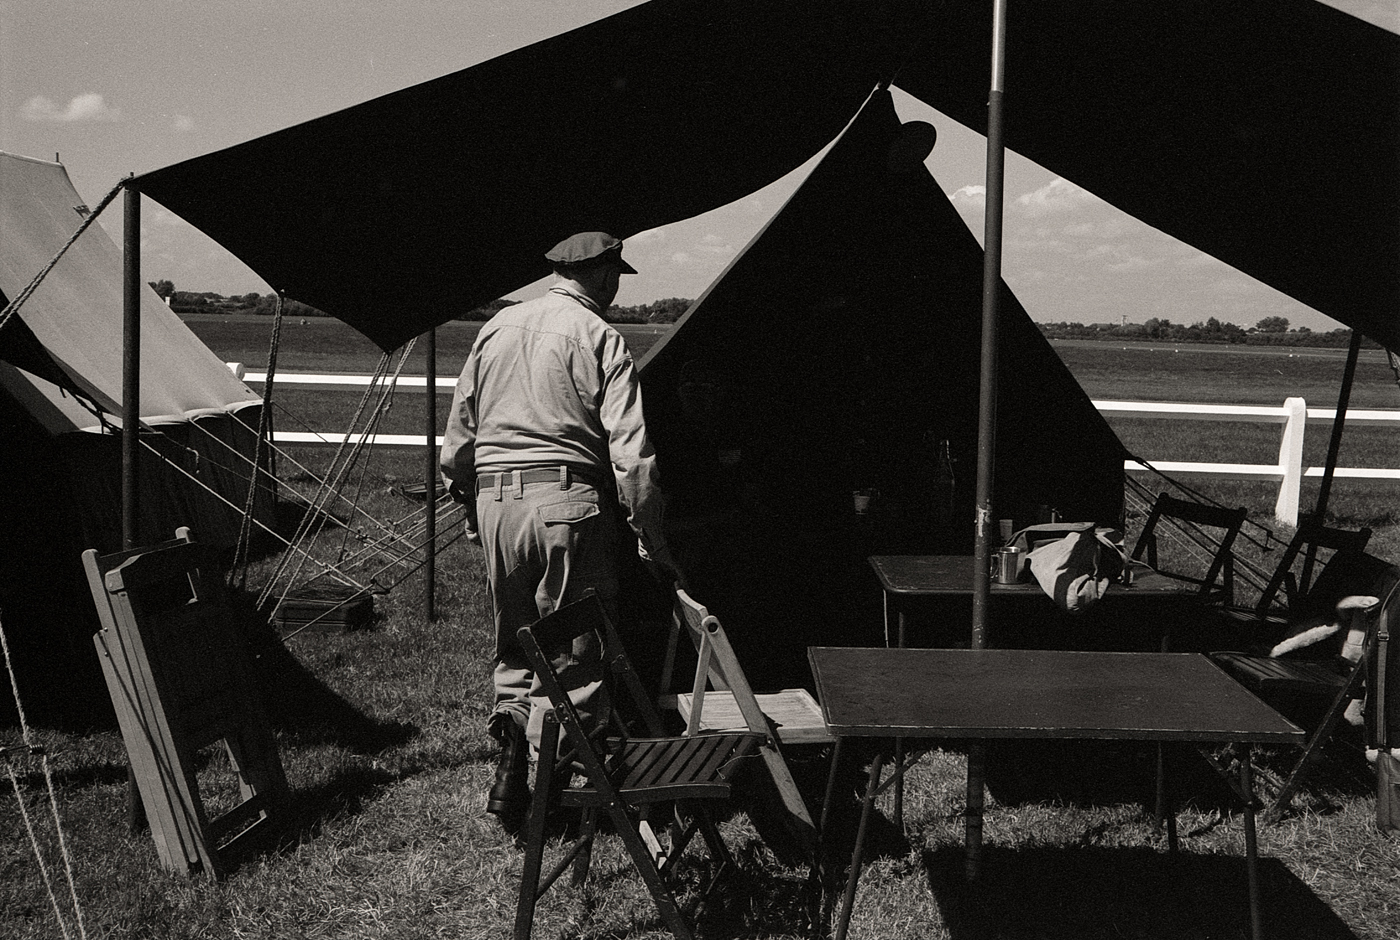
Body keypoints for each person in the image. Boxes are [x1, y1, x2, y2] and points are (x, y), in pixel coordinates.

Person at [440, 231, 674, 833]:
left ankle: (513, 762)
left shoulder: (496, 328)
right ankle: (556, 805)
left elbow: (460, 430)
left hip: (496, 502)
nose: (617, 285)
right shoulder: (601, 336)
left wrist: (469, 499)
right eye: (615, 274)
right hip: (565, 502)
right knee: (575, 654)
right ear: (600, 274)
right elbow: (631, 453)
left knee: (517, 641)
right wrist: (649, 534)